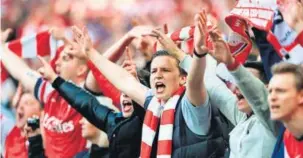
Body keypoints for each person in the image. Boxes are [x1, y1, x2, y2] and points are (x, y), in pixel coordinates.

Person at [67, 11, 226, 157]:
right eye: (154, 70)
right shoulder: (155, 103)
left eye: (165, 70)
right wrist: (91, 53)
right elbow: (123, 80)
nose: (158, 75)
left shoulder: (192, 106)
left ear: (182, 78)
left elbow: (195, 81)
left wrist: (199, 53)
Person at [36, 53, 146, 158]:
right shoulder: (115, 122)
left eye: (131, 93)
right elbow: (85, 102)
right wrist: (55, 80)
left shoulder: (151, 122)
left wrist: (135, 83)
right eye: (123, 92)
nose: (126, 96)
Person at [1, 29, 88, 158]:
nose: (57, 63)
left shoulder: (88, 97)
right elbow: (21, 71)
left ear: (81, 70)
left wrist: (86, 52)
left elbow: (106, 73)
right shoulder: (50, 92)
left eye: (65, 59)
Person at [268, 63, 303, 158]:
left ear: (301, 96)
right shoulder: (288, 136)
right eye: (270, 91)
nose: (272, 97)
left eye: (280, 91)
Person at [4, 92, 42, 158]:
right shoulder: (13, 133)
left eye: (27, 103)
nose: (20, 107)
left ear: (41, 110)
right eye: (19, 104)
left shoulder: (47, 135)